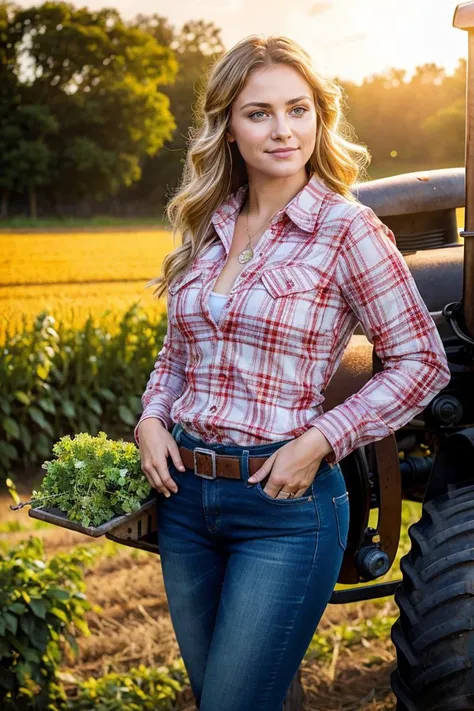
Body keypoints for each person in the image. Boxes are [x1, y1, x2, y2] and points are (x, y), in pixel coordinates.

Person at [134, 34, 451, 711]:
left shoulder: (348, 229)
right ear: (227, 128)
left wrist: (321, 440)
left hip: (284, 506)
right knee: (227, 695)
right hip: (185, 504)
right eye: (259, 113)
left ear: (319, 117)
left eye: (298, 109)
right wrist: (151, 416)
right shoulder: (208, 225)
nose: (283, 130)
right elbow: (176, 355)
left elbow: (422, 362)